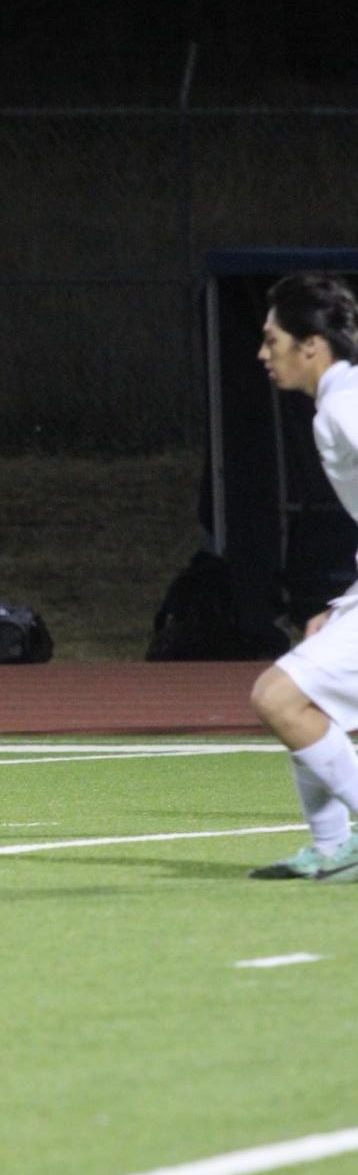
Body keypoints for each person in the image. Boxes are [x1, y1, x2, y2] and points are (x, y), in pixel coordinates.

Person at [249, 271, 358, 881]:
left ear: (311, 345)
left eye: (273, 339)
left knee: (278, 696)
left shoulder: (344, 405)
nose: (264, 353)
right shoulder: (342, 400)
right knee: (304, 693)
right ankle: (331, 848)